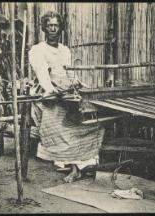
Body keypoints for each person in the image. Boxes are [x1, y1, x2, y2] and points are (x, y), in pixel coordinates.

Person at [28, 11, 105, 183]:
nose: (53, 29)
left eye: (56, 25)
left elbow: (69, 73)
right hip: (46, 96)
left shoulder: (65, 50)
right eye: (50, 25)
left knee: (88, 121)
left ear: (60, 28)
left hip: (66, 93)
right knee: (59, 123)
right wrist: (53, 92)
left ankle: (84, 163)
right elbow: (43, 75)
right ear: (44, 28)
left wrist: (77, 84)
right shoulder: (38, 50)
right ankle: (75, 167)